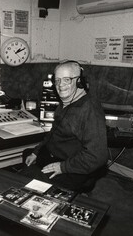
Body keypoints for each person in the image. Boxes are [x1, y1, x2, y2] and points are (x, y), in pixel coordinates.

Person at [21, 60, 108, 193]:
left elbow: (98, 156)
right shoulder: (66, 102)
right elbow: (53, 133)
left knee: (26, 180)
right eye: (57, 80)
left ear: (80, 82)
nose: (60, 85)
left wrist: (62, 167)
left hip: (72, 166)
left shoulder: (89, 111)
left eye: (67, 80)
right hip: (55, 155)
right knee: (27, 154)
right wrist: (36, 151)